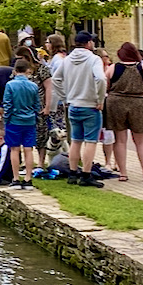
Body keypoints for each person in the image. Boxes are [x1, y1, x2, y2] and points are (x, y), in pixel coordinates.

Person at [52, 31, 107, 186]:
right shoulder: (94, 59)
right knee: (90, 141)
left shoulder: (67, 60)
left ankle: (72, 173)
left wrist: (65, 97)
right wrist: (100, 98)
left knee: (76, 141)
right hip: (90, 106)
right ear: (88, 43)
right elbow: (101, 79)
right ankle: (86, 174)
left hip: (73, 105)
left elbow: (56, 78)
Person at [106, 41, 143, 182]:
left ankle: (123, 173)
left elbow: (105, 86)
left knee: (120, 140)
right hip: (139, 103)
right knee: (141, 141)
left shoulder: (113, 68)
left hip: (116, 103)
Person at [1, 57, 41, 188]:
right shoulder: (34, 86)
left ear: (15, 70)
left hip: (14, 120)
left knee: (14, 149)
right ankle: (28, 179)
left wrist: (6, 119)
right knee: (28, 149)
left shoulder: (10, 85)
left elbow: (7, 104)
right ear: (27, 70)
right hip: (29, 121)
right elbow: (37, 105)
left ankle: (16, 178)